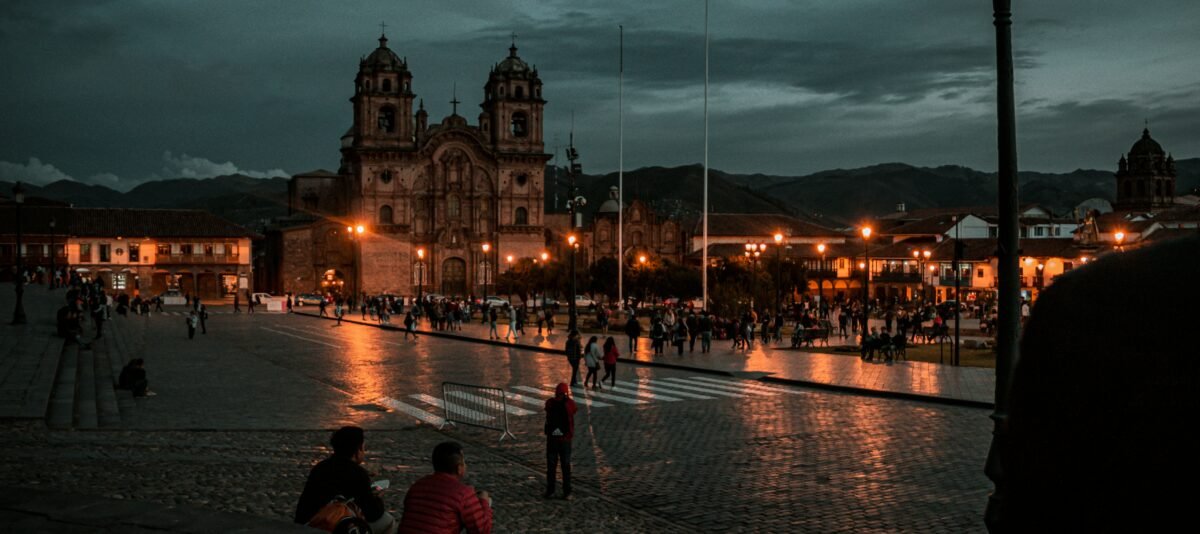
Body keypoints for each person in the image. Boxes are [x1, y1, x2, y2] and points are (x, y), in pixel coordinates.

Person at [295, 426, 396, 533]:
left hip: (306, 524)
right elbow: (373, 514)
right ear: (358, 450)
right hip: (328, 526)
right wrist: (378, 499)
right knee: (388, 521)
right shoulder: (357, 473)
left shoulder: (320, 467)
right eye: (363, 448)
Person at [398, 441, 492, 534]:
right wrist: (484, 502)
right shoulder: (463, 493)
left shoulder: (417, 486)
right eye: (464, 462)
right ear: (459, 468)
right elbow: (482, 531)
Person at [544, 382, 577, 500]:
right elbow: (574, 410)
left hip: (552, 439)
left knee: (551, 466)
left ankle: (550, 491)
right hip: (565, 439)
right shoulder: (569, 404)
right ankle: (567, 492)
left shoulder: (550, 403)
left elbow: (546, 409)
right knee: (565, 466)